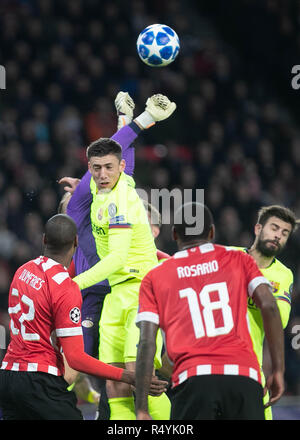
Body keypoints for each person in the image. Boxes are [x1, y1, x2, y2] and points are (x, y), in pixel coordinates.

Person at [59, 92, 174, 420]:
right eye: (93, 172)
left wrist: (133, 121)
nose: (97, 177)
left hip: (122, 287)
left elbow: (122, 161)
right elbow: (116, 161)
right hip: (94, 297)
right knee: (103, 375)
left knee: (134, 376)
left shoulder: (104, 192)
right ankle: (83, 397)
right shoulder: (82, 203)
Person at [0, 214, 167, 420]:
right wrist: (128, 376)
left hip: (8, 376)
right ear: (76, 242)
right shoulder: (66, 288)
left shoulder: (22, 271)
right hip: (40, 380)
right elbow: (77, 359)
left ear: (44, 239)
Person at [135, 202, 285, 420]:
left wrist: (141, 408)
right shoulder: (240, 259)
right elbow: (270, 307)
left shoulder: (154, 276)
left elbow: (147, 342)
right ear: (212, 232)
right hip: (244, 378)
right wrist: (278, 370)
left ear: (174, 234)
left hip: (193, 381)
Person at [231, 205, 298, 419]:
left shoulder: (283, 274)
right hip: (211, 366)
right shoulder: (229, 256)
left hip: (251, 371)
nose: (278, 236)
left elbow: (281, 320)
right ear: (258, 228)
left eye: (284, 233)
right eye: (274, 228)